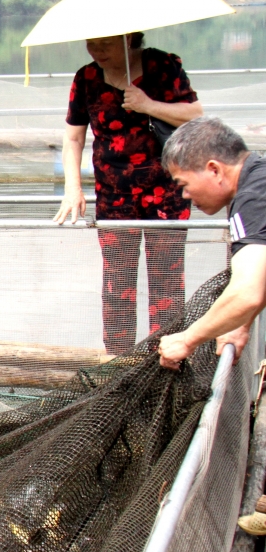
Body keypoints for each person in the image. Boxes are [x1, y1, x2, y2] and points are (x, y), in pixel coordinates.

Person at [156, 118, 266, 552]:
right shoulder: (257, 180)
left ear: (215, 169)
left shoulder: (253, 197)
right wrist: (239, 324)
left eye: (183, 184)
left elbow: (246, 291)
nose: (183, 197)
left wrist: (188, 339)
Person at [54, 33, 203, 354]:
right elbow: (73, 139)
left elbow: (195, 116)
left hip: (167, 193)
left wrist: (148, 105)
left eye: (105, 45)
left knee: (166, 282)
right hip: (114, 197)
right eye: (91, 44)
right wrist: (72, 188)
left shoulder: (163, 65)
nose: (97, 52)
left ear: (129, 37)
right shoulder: (86, 77)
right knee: (117, 284)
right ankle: (118, 361)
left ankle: (164, 359)